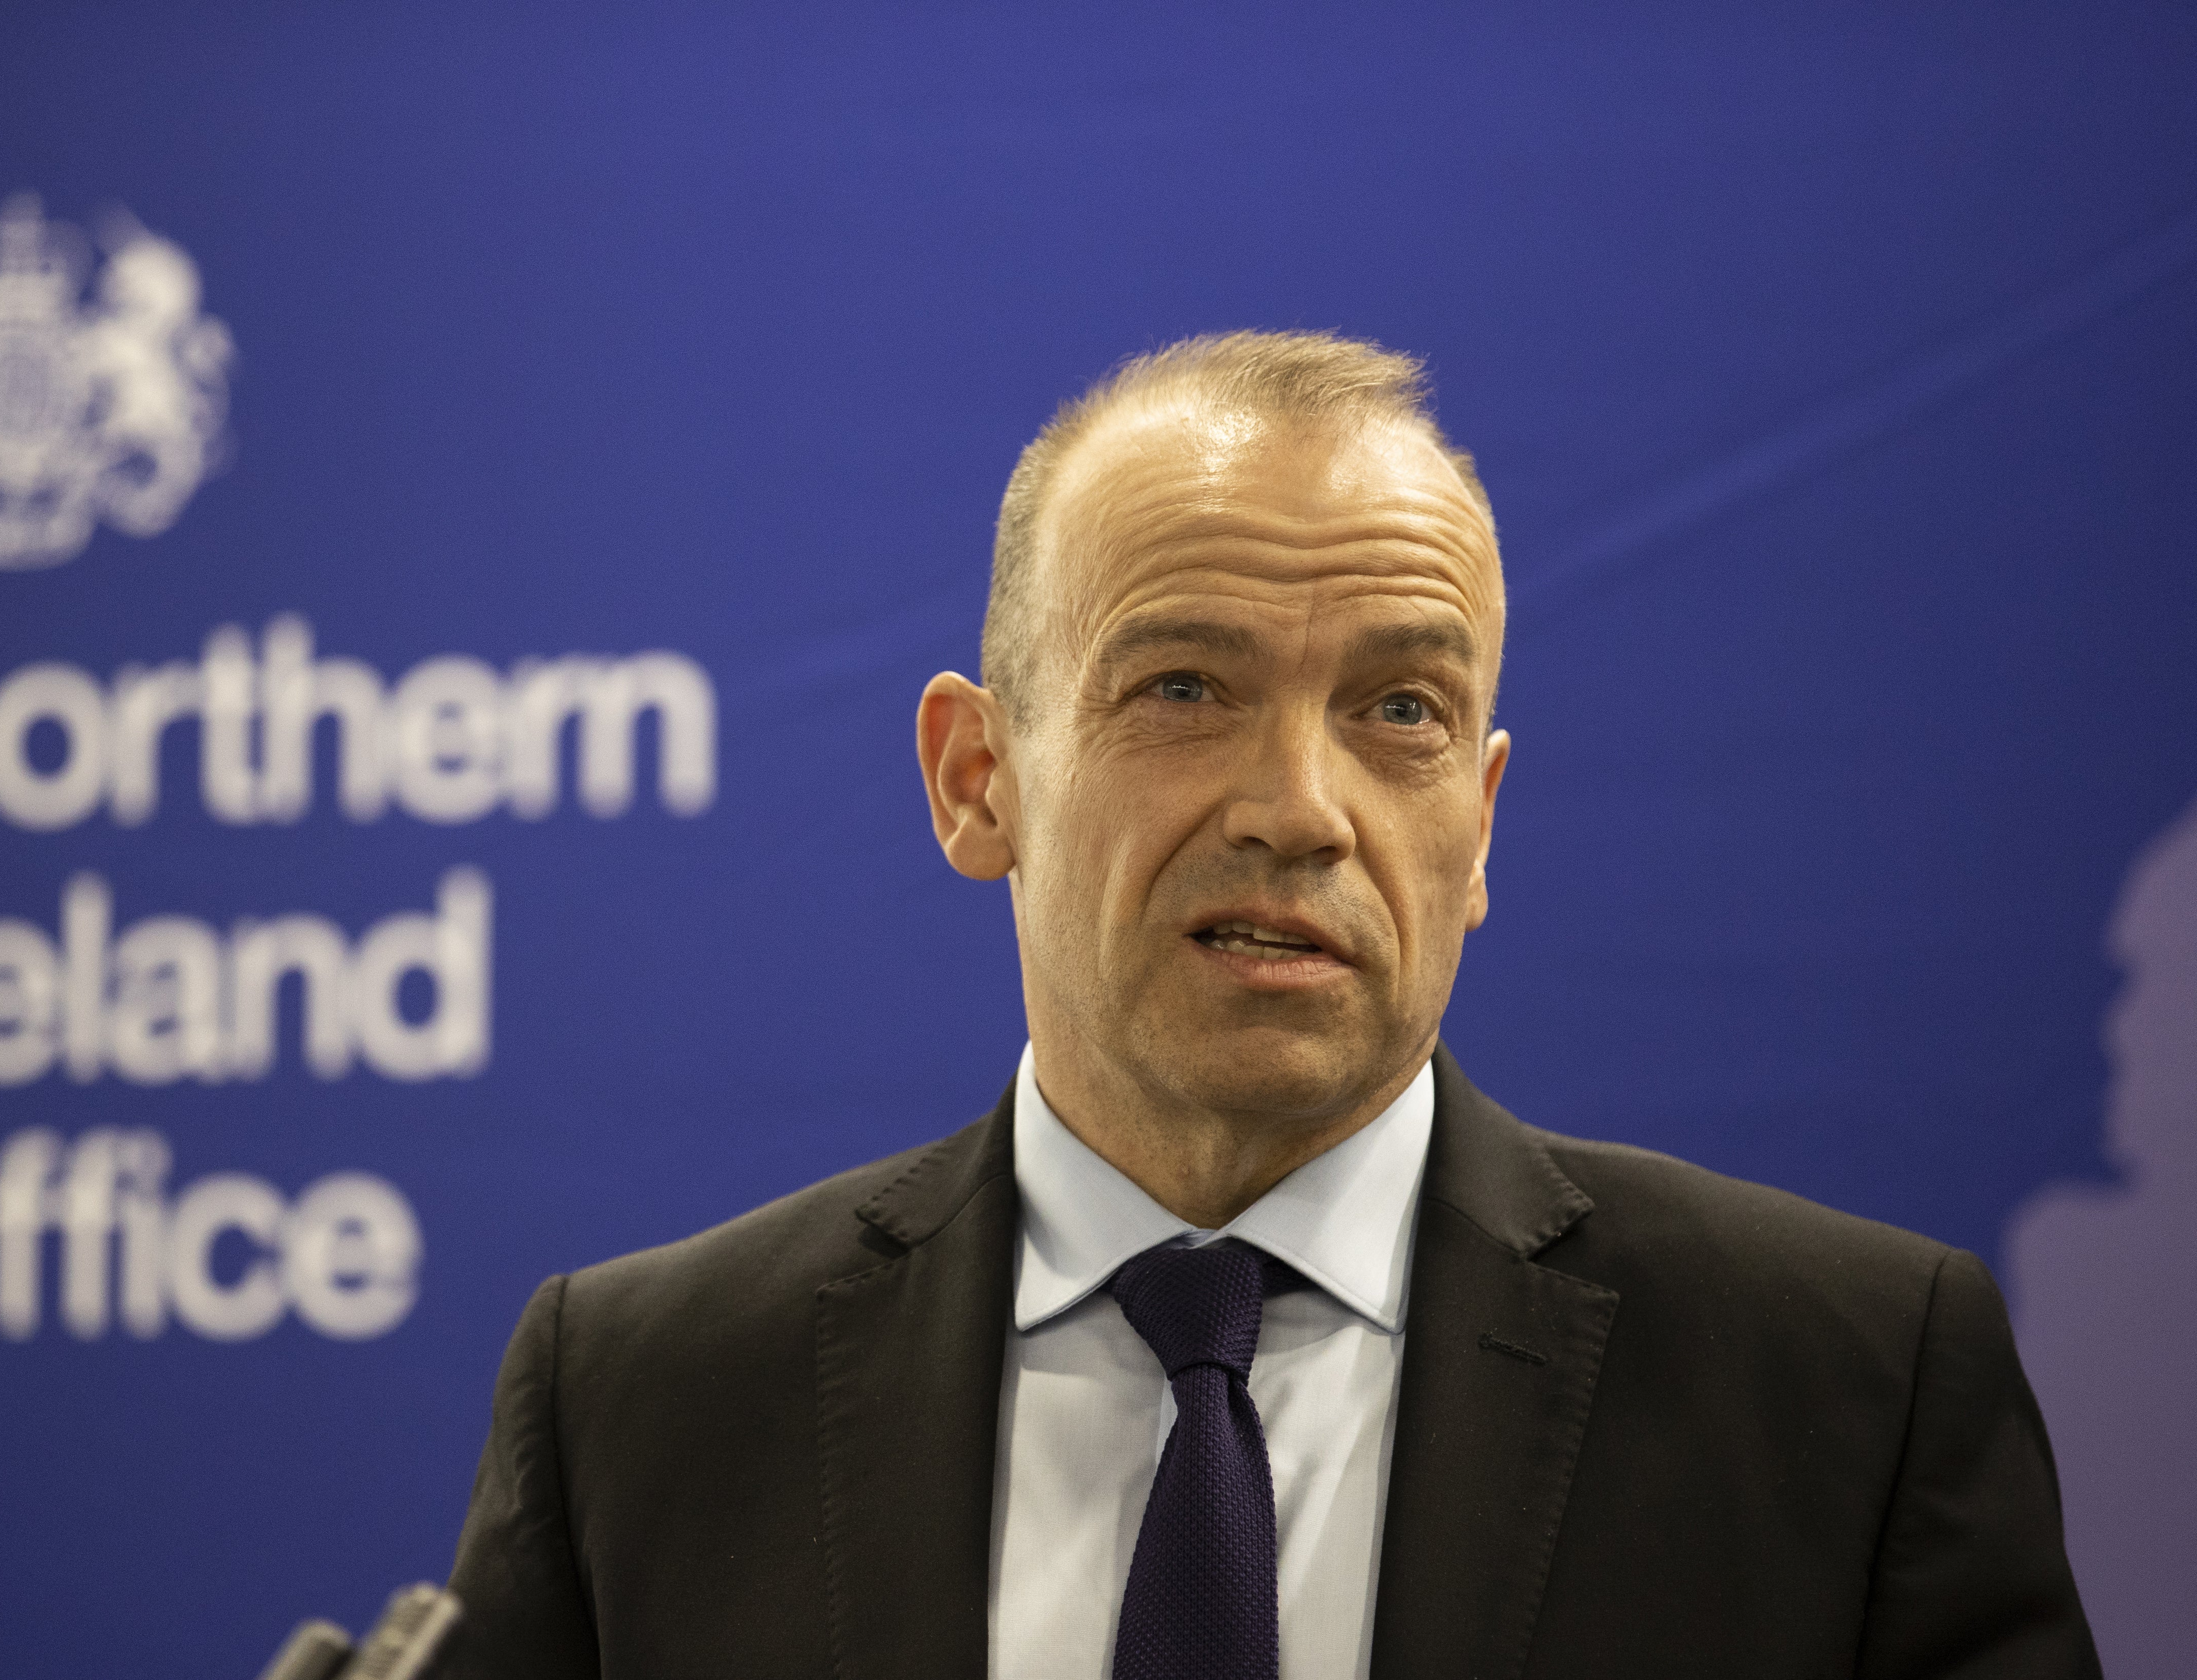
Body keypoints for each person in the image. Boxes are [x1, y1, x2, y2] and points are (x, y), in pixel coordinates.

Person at [442, 331, 2098, 1678]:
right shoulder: (645, 1405)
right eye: (1184, 687)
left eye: (1400, 708)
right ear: (978, 780)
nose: (1300, 808)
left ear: (1481, 829)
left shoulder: (1849, 1391)